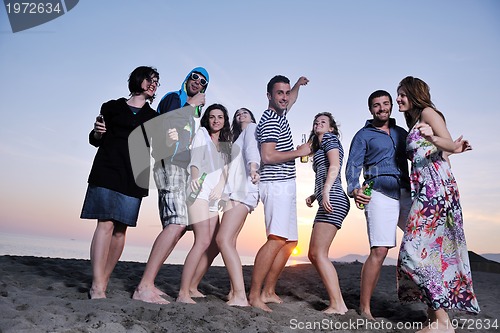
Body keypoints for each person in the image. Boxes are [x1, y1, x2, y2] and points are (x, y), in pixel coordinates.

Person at [396, 76, 479, 332]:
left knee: (412, 252)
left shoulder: (429, 113)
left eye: (402, 94)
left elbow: (449, 144)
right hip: (428, 189)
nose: (398, 99)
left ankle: (442, 321)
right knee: (428, 254)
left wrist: (433, 137)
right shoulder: (414, 122)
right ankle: (435, 319)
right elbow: (445, 152)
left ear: (413, 93)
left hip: (436, 190)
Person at [80, 66, 160, 299]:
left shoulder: (153, 117)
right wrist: (96, 133)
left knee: (120, 231)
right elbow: (96, 139)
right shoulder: (111, 106)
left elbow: (160, 148)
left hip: (134, 176)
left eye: (157, 81)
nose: (154, 83)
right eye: (150, 79)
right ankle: (96, 285)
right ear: (138, 80)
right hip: (107, 169)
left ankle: (104, 279)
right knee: (104, 224)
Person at [133, 67, 209, 304]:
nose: (198, 81)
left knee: (178, 226)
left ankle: (149, 283)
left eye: (203, 81)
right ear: (187, 79)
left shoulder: (193, 111)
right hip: (168, 164)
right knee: (176, 223)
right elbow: (162, 125)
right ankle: (143, 286)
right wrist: (191, 105)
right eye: (194, 77)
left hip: (182, 169)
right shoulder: (173, 98)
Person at [345, 90, 412, 320]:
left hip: (405, 192)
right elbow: (352, 166)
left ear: (392, 105)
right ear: (370, 109)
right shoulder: (363, 135)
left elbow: (419, 155)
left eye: (385, 103)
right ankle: (365, 309)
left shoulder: (402, 133)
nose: (382, 108)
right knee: (380, 250)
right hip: (378, 193)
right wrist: (354, 190)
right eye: (376, 105)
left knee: (421, 240)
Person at [248, 75, 311, 312]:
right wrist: (298, 152)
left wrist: (297, 85)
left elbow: (291, 99)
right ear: (269, 96)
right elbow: (268, 156)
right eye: (279, 93)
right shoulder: (271, 120)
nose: (285, 97)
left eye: (286, 93)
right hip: (275, 184)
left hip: (286, 183)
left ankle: (268, 291)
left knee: (290, 241)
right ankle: (254, 296)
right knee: (276, 238)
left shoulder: (280, 113)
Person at [176, 103, 232, 304]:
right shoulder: (201, 134)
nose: (216, 120)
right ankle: (183, 293)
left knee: (213, 245)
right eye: (212, 117)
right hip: (198, 192)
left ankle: (192, 286)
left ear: (225, 121)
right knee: (201, 241)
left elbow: (226, 170)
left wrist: (221, 187)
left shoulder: (226, 145)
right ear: (207, 119)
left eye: (220, 117)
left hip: (213, 197)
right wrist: (194, 178)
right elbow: (195, 160)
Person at [305, 112, 350, 314]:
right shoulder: (320, 145)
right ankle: (337, 303)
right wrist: (315, 195)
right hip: (327, 196)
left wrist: (325, 191)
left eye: (323, 122)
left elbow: (335, 166)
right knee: (314, 254)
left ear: (331, 128)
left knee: (318, 253)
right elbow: (325, 172)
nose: (318, 124)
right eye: (316, 122)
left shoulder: (330, 139)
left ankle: (337, 305)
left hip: (334, 197)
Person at [216, 108, 260, 307]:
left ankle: (240, 296)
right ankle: (234, 291)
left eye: (245, 112)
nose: (240, 114)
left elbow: (252, 149)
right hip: (236, 192)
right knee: (230, 241)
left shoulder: (251, 129)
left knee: (222, 239)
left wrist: (253, 167)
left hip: (242, 191)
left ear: (252, 117)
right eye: (237, 113)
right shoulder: (237, 137)